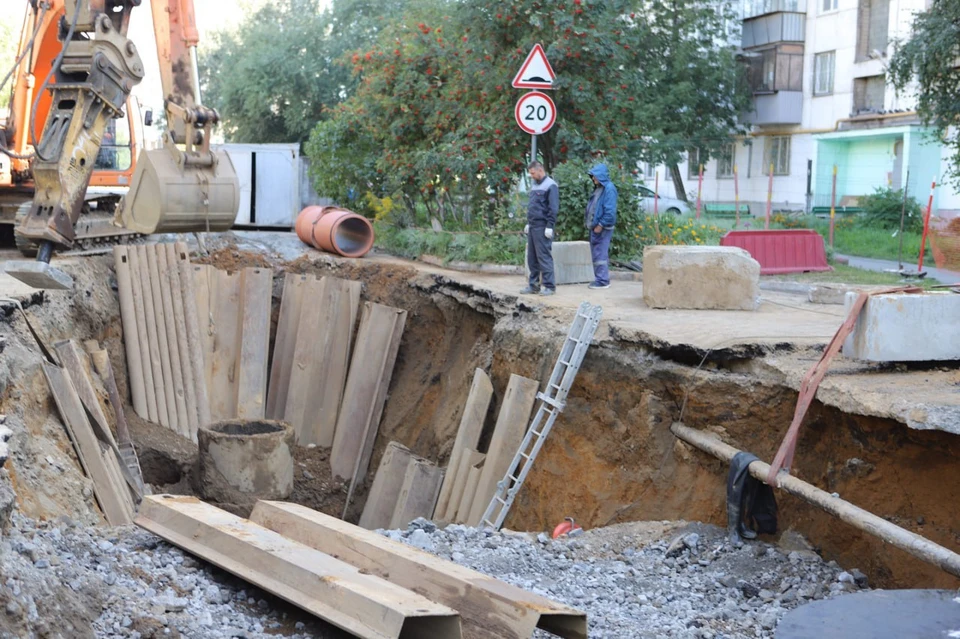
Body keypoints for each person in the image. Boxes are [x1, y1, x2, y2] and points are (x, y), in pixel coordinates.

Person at [521, 161, 559, 296]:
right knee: (532, 258)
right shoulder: (535, 185)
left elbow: (553, 208)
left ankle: (549, 286)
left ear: (540, 170)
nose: (531, 176)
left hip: (542, 227)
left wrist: (550, 226)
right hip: (533, 226)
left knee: (544, 256)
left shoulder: (551, 185)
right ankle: (534, 285)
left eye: (532, 173)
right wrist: (529, 223)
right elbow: (533, 206)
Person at [584, 163, 617, 290]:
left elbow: (610, 212)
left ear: (601, 176)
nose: (593, 178)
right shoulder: (600, 188)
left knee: (600, 254)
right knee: (597, 253)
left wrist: (601, 224)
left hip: (602, 228)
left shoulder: (608, 189)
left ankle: (602, 281)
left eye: (595, 176)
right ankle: (600, 278)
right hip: (596, 227)